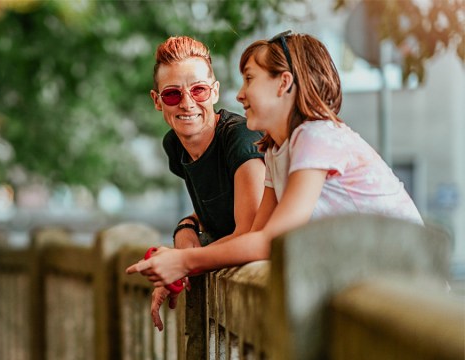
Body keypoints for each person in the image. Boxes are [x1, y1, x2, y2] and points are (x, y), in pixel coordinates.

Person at [127, 31, 423, 290]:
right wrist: (179, 260)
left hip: (407, 285)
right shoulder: (276, 150)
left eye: (249, 80)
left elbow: (270, 241)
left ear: (283, 83)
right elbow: (257, 234)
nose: (240, 95)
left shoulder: (316, 136)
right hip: (365, 282)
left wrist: (184, 262)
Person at [147, 35, 266, 331]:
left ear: (214, 92)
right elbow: (218, 202)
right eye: (173, 94)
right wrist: (186, 227)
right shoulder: (174, 145)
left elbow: (249, 231)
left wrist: (182, 261)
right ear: (157, 101)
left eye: (198, 90)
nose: (187, 103)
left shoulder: (241, 139)